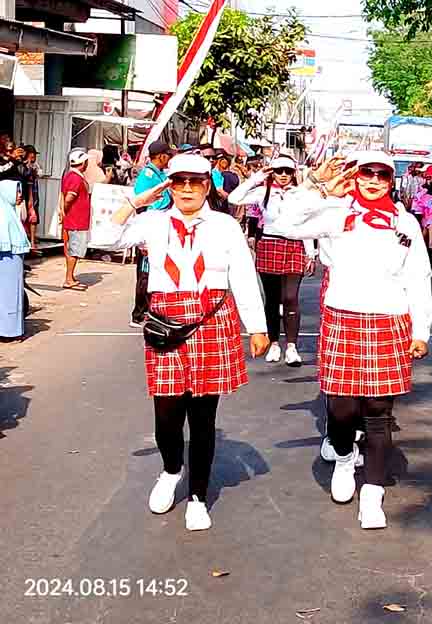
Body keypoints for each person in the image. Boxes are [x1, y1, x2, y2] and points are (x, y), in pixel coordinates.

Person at [268, 151, 432, 529]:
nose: (373, 181)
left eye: (382, 175)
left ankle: (373, 495)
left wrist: (420, 331)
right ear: (355, 177)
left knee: (379, 413)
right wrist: (316, 187)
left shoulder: (404, 223)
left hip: (390, 319)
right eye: (366, 174)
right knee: (341, 408)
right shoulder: (335, 212)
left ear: (392, 181)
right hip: (343, 316)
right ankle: (344, 456)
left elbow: (418, 278)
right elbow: (286, 223)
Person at [109, 154, 269, 532]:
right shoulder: (153, 221)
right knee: (166, 414)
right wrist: (139, 200)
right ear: (169, 185)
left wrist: (258, 326)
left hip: (211, 320)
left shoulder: (225, 226)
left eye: (194, 182)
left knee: (202, 418)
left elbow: (243, 276)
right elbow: (105, 236)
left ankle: (198, 495)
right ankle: (170, 470)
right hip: (166, 322)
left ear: (207, 185)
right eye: (178, 181)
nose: (186, 189)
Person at [228, 154, 316, 367]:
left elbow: (306, 222)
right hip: (269, 244)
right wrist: (256, 177)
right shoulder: (263, 192)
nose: (283, 175)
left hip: (294, 244)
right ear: (272, 172)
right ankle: (275, 342)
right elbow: (234, 198)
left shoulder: (301, 193)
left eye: (288, 171)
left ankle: (292, 347)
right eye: (279, 171)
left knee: (290, 297)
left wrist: (310, 253)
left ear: (294, 173)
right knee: (273, 298)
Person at [129, 141, 176, 326]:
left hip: (160, 227)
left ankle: (152, 310)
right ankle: (139, 313)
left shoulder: (160, 174)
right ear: (161, 156)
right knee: (145, 274)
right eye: (168, 155)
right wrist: (143, 240)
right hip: (149, 228)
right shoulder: (147, 176)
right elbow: (140, 205)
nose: (169, 158)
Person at [0, 180, 31, 340]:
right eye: (17, 192)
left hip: (15, 260)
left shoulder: (12, 214)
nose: (20, 196)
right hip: (6, 259)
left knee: (14, 293)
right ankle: (6, 331)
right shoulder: (3, 215)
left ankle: (12, 329)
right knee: (6, 294)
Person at [60, 149, 93, 290]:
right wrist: (65, 210)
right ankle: (68, 278)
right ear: (83, 162)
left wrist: (62, 212)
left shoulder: (69, 176)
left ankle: (70, 276)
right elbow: (68, 198)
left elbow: (63, 195)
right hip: (76, 220)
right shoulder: (76, 178)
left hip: (72, 219)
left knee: (71, 249)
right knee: (74, 250)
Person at [21, 145, 41, 252]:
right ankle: (26, 240)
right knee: (24, 217)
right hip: (25, 194)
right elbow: (26, 178)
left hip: (34, 193)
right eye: (32, 155)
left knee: (34, 218)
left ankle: (32, 241)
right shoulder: (22, 166)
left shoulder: (34, 166)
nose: (34, 158)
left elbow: (38, 174)